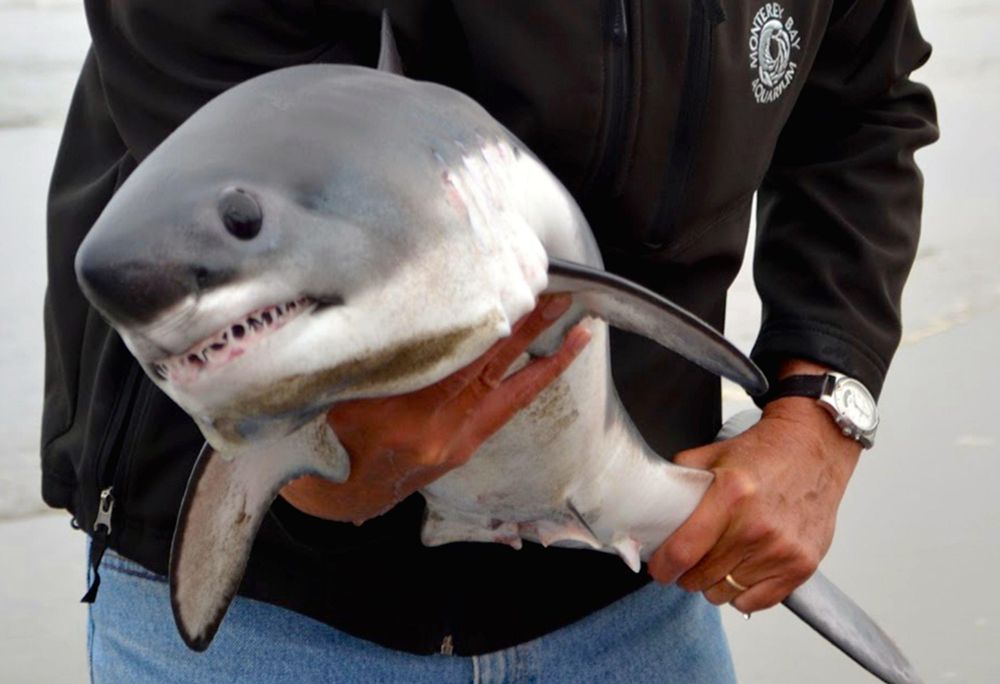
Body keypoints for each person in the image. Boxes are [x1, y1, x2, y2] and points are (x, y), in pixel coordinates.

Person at [43, 1, 937, 681]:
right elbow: (236, 160)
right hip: (266, 615)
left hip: (634, 585)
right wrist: (308, 461)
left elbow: (860, 110)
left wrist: (823, 409)